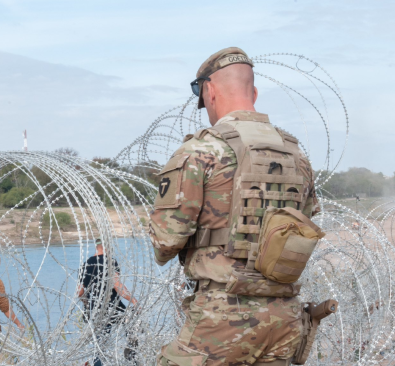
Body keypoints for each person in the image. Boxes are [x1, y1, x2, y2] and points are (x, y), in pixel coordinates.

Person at [149, 47, 320, 366]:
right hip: (285, 317)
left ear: (209, 91)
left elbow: (165, 243)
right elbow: (302, 228)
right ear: (253, 92)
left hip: (224, 317)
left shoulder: (200, 151)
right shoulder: (297, 156)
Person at [77, 238, 138, 366]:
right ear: (107, 247)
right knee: (131, 325)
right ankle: (132, 359)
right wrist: (133, 300)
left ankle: (94, 362)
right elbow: (117, 285)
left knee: (100, 343)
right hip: (113, 307)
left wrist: (88, 305)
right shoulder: (110, 262)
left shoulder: (85, 264)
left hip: (95, 309)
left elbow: (80, 292)